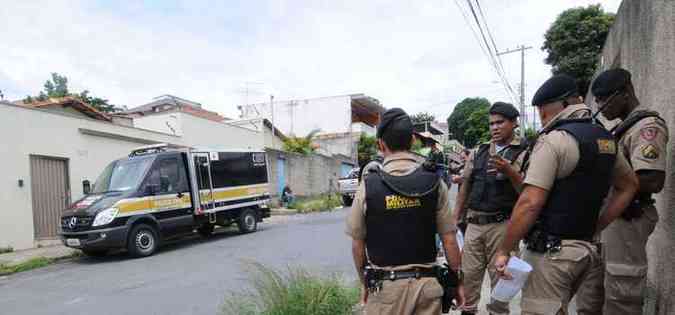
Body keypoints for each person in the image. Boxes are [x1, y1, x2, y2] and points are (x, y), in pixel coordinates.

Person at [493, 74, 639, 315]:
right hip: (585, 251)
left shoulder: (555, 141)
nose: (542, 117)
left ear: (554, 107)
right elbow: (629, 185)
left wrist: (504, 250)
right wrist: (597, 225)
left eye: (542, 111)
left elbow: (529, 203)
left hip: (552, 253)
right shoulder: (605, 138)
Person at [346, 108, 464, 315]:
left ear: (380, 144)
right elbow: (450, 240)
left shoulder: (368, 186)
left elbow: (357, 245)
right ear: (412, 140)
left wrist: (365, 283)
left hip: (385, 294)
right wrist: (457, 283)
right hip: (427, 291)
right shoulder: (434, 182)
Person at [591, 68, 669, 314]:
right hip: (612, 217)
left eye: (605, 99)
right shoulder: (623, 128)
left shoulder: (646, 127)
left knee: (622, 296)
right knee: (597, 292)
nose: (601, 107)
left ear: (625, 92)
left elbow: (652, 179)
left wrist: (608, 180)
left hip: (628, 219)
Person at [450, 102, 527, 315]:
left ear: (514, 123)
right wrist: (456, 217)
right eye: (491, 123)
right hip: (474, 225)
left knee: (500, 284)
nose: (494, 127)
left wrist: (510, 171)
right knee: (468, 280)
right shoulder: (480, 151)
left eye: (500, 122)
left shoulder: (525, 151)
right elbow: (466, 185)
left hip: (503, 226)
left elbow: (528, 193)